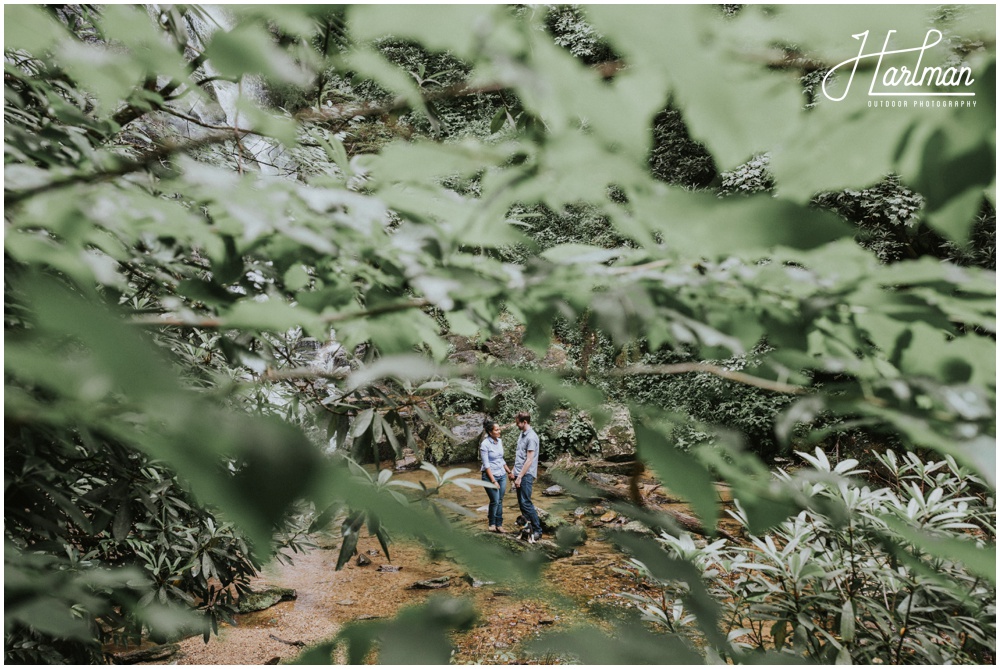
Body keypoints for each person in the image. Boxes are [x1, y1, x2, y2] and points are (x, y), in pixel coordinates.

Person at [512, 411, 543, 542]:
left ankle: (537, 530)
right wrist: (513, 471)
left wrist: (520, 476)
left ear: (525, 422)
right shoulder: (522, 435)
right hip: (519, 473)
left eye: (518, 423)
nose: (516, 425)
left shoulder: (531, 437)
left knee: (526, 503)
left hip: (526, 474)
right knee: (522, 504)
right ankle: (527, 529)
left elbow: (529, 460)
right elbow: (520, 456)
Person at [479, 419, 511, 533]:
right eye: (497, 429)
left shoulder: (499, 441)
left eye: (499, 428)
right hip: (489, 477)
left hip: (501, 475)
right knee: (495, 501)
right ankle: (492, 523)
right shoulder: (485, 444)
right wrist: (493, 481)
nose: (499, 430)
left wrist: (509, 471)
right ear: (490, 432)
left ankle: (499, 525)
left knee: (500, 500)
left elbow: (500, 459)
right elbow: (486, 465)